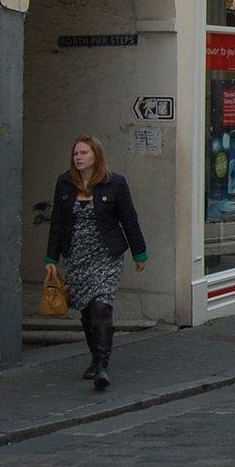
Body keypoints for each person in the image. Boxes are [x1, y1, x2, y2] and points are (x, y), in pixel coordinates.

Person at [45, 135, 148, 391]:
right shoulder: (65, 183)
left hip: (106, 255)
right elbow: (57, 221)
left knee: (102, 306)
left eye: (84, 153)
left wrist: (139, 252)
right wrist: (51, 258)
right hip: (77, 256)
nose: (78, 157)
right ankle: (94, 355)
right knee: (87, 312)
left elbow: (129, 219)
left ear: (96, 156)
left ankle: (102, 366)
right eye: (75, 153)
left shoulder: (115, 183)